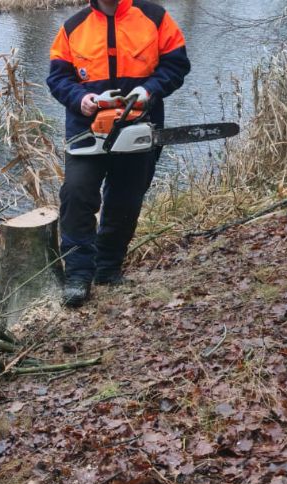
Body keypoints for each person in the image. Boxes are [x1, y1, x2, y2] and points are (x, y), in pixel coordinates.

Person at [47, 0, 190, 307]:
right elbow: (57, 78)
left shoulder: (155, 18)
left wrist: (149, 90)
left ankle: (107, 268)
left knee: (126, 198)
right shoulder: (73, 27)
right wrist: (82, 98)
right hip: (87, 130)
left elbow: (177, 64)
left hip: (140, 125)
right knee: (77, 193)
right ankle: (78, 275)